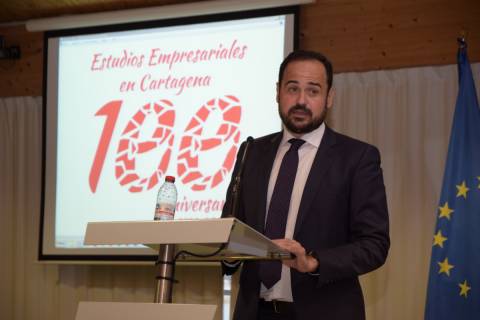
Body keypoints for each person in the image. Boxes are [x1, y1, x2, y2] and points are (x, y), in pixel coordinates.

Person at [222, 50, 390, 320]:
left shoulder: (357, 158)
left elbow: (374, 244)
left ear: (329, 97)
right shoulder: (251, 151)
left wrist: (313, 261)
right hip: (253, 312)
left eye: (313, 91)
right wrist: (229, 252)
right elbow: (232, 226)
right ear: (278, 92)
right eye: (292, 89)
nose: (301, 100)